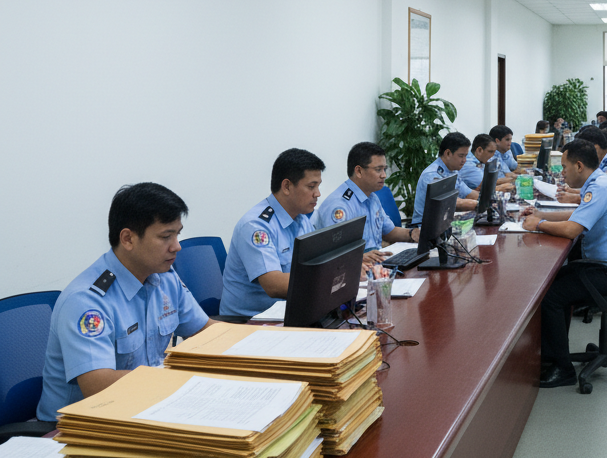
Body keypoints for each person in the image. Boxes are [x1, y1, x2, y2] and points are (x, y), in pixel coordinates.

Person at [37, 183, 212, 421]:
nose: (177, 246)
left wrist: (256, 344)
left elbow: (207, 330)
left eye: (177, 234)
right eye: (165, 237)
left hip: (145, 406)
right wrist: (176, 380)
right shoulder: (87, 301)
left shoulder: (164, 277)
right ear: (128, 239)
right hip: (79, 425)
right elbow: (98, 386)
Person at [520, 139, 607, 388]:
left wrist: (538, 225)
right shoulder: (598, 183)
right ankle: (552, 355)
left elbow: (571, 229)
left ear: (578, 166)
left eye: (564, 167)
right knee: (555, 280)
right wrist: (541, 214)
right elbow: (579, 215)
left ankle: (562, 369)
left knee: (551, 296)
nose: (562, 173)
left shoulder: (600, 188)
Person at [219, 148, 325, 319]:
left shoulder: (301, 218)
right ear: (287, 186)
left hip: (288, 312)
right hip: (247, 322)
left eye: (318, 186)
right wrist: (327, 280)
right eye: (311, 187)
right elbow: (274, 285)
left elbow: (317, 261)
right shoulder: (256, 227)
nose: (317, 194)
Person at [316, 141, 419, 269]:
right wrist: (359, 257)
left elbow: (389, 231)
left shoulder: (372, 197)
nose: (384, 175)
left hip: (377, 266)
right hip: (354, 270)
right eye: (378, 170)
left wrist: (413, 233)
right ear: (359, 171)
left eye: (384, 169)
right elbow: (334, 254)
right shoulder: (340, 205)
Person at [557, 127, 607, 216]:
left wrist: (573, 198)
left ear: (595, 148)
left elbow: (601, 197)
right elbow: (594, 191)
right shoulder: (605, 161)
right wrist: (571, 191)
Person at [411, 131, 478, 225]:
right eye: (461, 156)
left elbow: (469, 194)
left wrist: (488, 199)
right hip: (424, 228)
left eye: (465, 156)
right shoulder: (432, 175)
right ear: (448, 153)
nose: (464, 160)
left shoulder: (453, 171)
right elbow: (450, 203)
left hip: (443, 224)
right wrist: (478, 204)